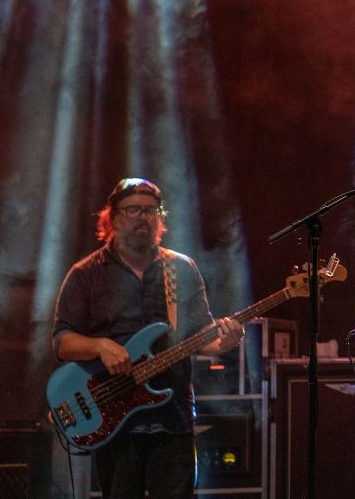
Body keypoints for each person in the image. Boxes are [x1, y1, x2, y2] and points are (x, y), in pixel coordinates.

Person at [51, 178, 245, 499]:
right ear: (112, 218)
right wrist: (100, 346)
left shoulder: (181, 268)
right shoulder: (86, 273)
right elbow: (62, 341)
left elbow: (201, 335)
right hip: (114, 420)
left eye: (150, 210)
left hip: (173, 421)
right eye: (133, 210)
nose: (142, 217)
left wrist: (225, 342)